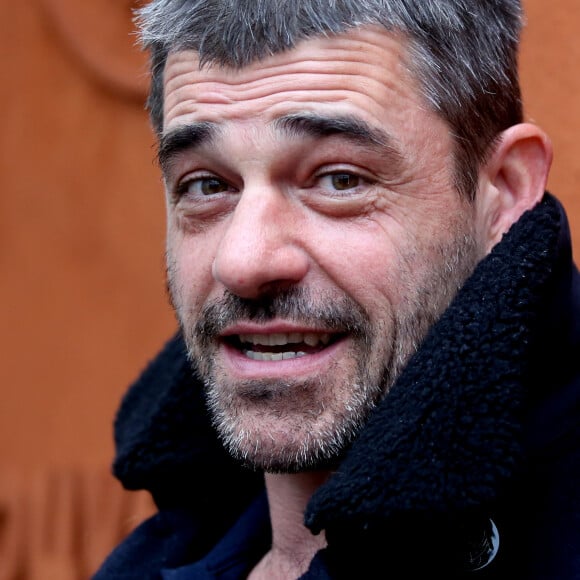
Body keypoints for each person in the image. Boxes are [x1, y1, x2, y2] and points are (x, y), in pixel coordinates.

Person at [94, 1, 580, 578]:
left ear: (503, 189)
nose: (243, 262)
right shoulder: (146, 562)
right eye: (206, 185)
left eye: (339, 179)